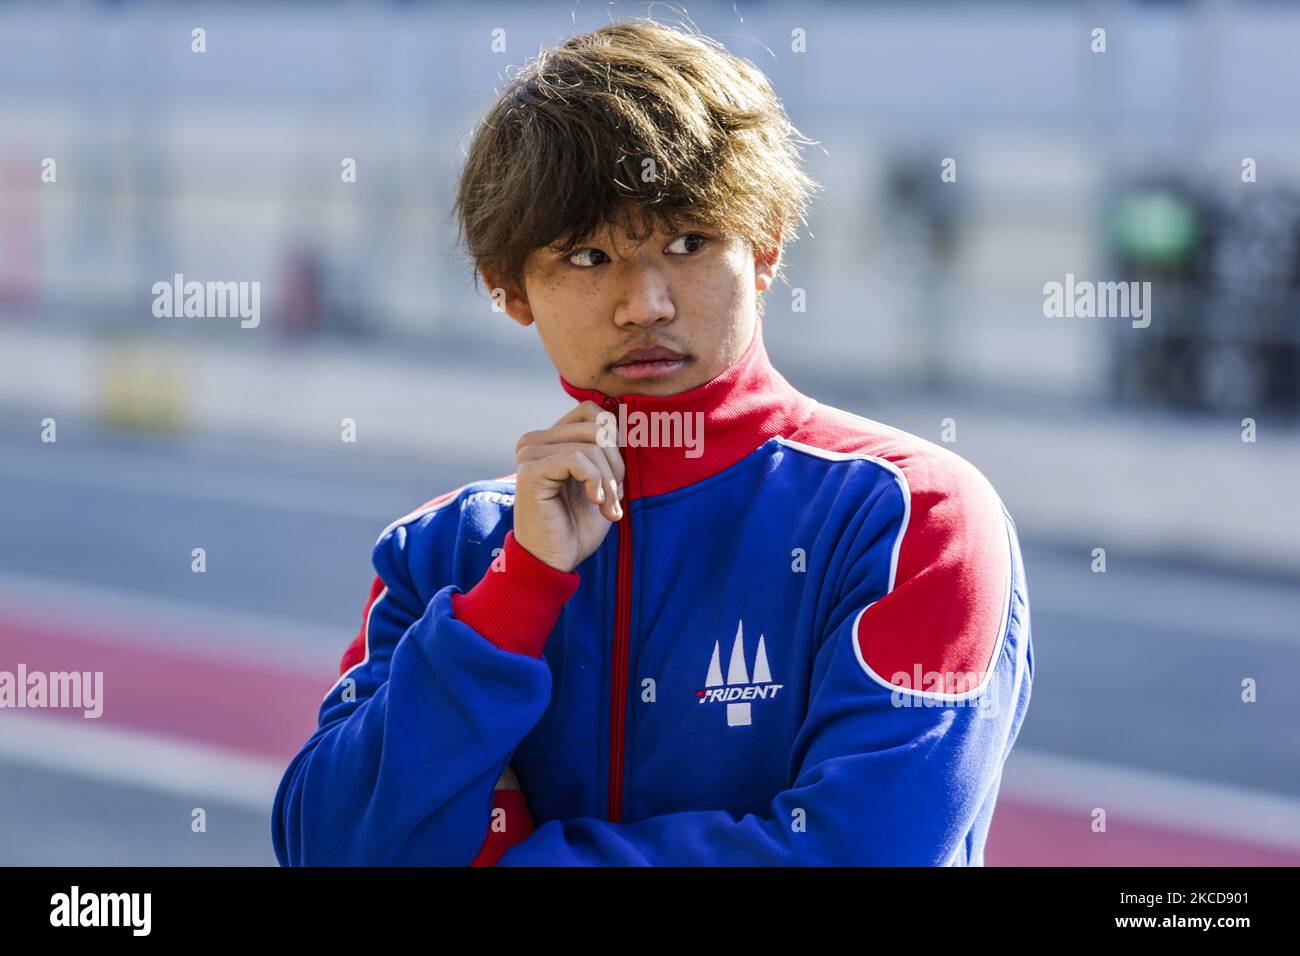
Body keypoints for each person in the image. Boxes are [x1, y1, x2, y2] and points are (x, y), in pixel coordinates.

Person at [271, 18, 1033, 867]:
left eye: (688, 242)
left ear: (767, 247)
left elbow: (863, 853)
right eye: (589, 256)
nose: (646, 304)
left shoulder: (911, 517)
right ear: (510, 290)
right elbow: (327, 847)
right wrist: (520, 589)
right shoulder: (445, 552)